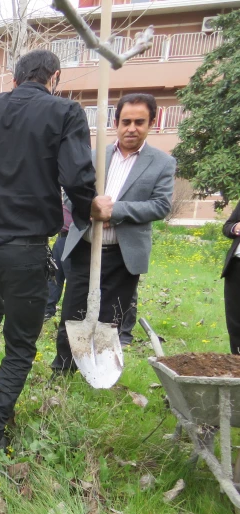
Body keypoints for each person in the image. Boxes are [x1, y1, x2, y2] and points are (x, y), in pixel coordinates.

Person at [0, 49, 109, 463]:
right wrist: (91, 207)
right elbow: (77, 176)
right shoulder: (65, 112)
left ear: (16, 76)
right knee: (20, 345)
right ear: (54, 77)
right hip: (25, 245)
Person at [52, 93, 175, 373]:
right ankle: (64, 368)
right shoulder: (94, 157)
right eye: (126, 121)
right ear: (116, 123)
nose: (132, 127)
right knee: (73, 311)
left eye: (139, 122)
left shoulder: (162, 163)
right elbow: (71, 195)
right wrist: (91, 209)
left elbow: (160, 205)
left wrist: (114, 210)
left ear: (151, 124)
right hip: (86, 247)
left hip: (124, 254)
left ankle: (98, 369)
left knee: (110, 316)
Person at [45, 203, 73, 321]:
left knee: (71, 277)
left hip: (74, 238)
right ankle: (48, 310)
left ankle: (71, 313)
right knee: (54, 275)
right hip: (61, 237)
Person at [221, 200, 240, 355]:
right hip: (236, 267)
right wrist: (235, 228)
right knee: (235, 322)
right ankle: (236, 363)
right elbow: (227, 227)